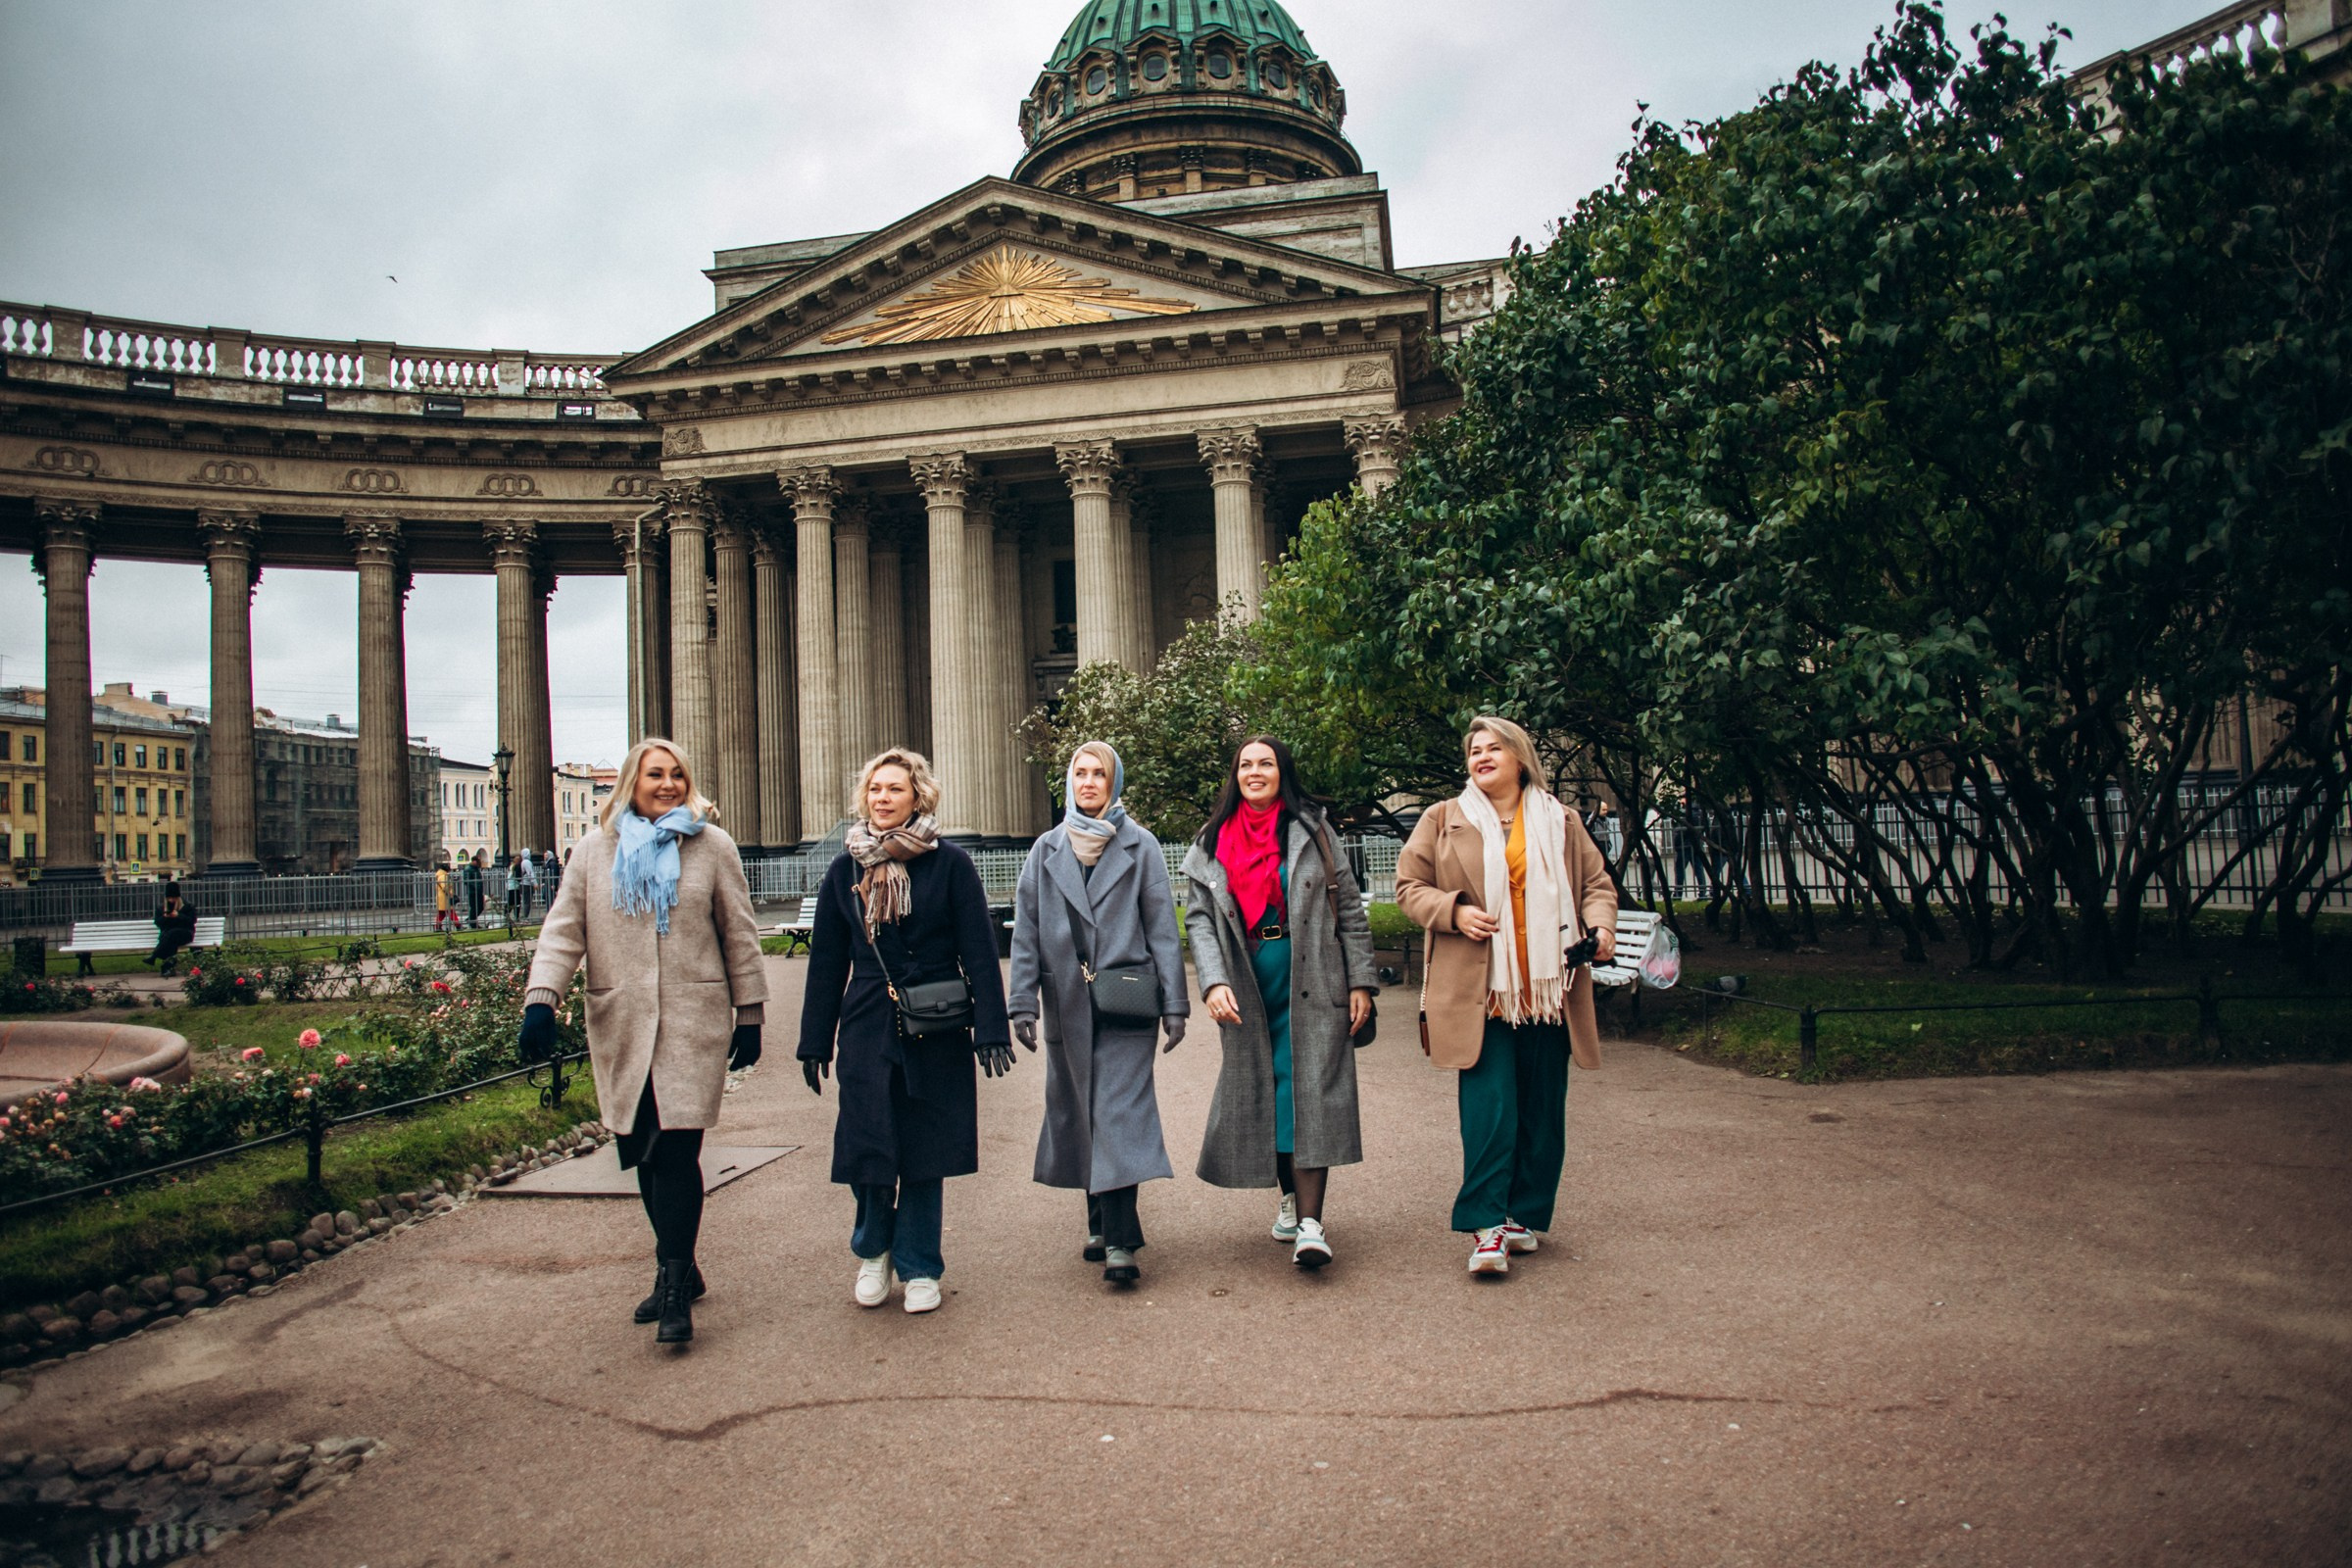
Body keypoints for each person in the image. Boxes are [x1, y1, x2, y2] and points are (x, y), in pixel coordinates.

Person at [516, 739, 766, 1346]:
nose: (669, 784)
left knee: (677, 1150)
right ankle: (679, 1262)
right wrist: (541, 1000)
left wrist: (751, 1013)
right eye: (656, 774)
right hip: (622, 1020)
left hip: (691, 1021)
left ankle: (674, 1284)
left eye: (677, 774)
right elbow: (563, 929)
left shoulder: (711, 846)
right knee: (644, 1152)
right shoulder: (594, 852)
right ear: (631, 781)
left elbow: (739, 931)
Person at [1396, 716, 1618, 1277]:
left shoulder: (1560, 821)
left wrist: (1602, 929)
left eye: (1495, 748)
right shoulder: (1443, 818)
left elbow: (1595, 886)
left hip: (1551, 987)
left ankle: (1521, 1215)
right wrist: (1454, 911)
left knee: (1543, 1113)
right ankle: (1486, 1224)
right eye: (1474, 750)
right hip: (1483, 992)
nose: (1483, 756)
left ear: (1520, 759)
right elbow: (1408, 887)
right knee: (1491, 1110)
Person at [797, 747, 1014, 1315]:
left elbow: (980, 951)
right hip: (868, 1018)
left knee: (925, 1148)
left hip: (936, 1021)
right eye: (875, 790)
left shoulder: (951, 864)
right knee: (867, 1142)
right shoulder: (845, 869)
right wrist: (815, 1040)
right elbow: (825, 963)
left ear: (918, 795)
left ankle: (920, 1265)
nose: (883, 798)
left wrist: (991, 1026)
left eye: (895, 789)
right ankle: (873, 1252)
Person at [1181, 736, 1377, 1269]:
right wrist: (1212, 981)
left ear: (1281, 772)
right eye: (1246, 764)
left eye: (1265, 763)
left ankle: (1311, 1223)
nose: (1255, 771)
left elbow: (1351, 908)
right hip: (1248, 983)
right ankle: (1287, 1197)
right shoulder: (1211, 839)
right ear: (1235, 775)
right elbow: (1199, 920)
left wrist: (1361, 981)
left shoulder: (1313, 829)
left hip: (1314, 976)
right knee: (1265, 1088)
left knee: (1311, 1088)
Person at [1007, 742, 1188, 1286]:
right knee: (1081, 1109)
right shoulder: (1045, 849)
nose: (1089, 783)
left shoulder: (1142, 846)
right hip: (1066, 1001)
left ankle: (1120, 1240)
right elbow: (1028, 933)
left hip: (1126, 999)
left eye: (1099, 774)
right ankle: (1096, 1222)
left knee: (1117, 1114)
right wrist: (1021, 1002)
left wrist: (1174, 1004)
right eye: (1080, 774)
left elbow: (1162, 927)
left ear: (1115, 783)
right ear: (1068, 782)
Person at [145, 882, 199, 976]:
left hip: (185, 933)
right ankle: (168, 969)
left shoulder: (187, 906)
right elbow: (158, 922)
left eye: (173, 898)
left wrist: (179, 915)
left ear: (178, 897)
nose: (171, 900)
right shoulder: (161, 908)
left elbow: (192, 921)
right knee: (171, 939)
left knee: (171, 935)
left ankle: (156, 957)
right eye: (169, 898)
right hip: (169, 935)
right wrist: (165, 917)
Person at [432, 855, 458, 933]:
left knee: (442, 913)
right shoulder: (443, 876)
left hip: (442, 897)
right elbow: (445, 887)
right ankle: (458, 925)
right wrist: (450, 894)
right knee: (451, 912)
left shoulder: (439, 875)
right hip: (445, 897)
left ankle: (437, 926)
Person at [464, 850, 487, 929]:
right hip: (473, 892)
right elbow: (466, 881)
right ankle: (473, 923)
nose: (478, 863)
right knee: (474, 907)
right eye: (477, 861)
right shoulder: (468, 869)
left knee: (480, 907)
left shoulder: (476, 869)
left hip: (479, 891)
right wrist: (475, 887)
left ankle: (470, 919)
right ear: (473, 861)